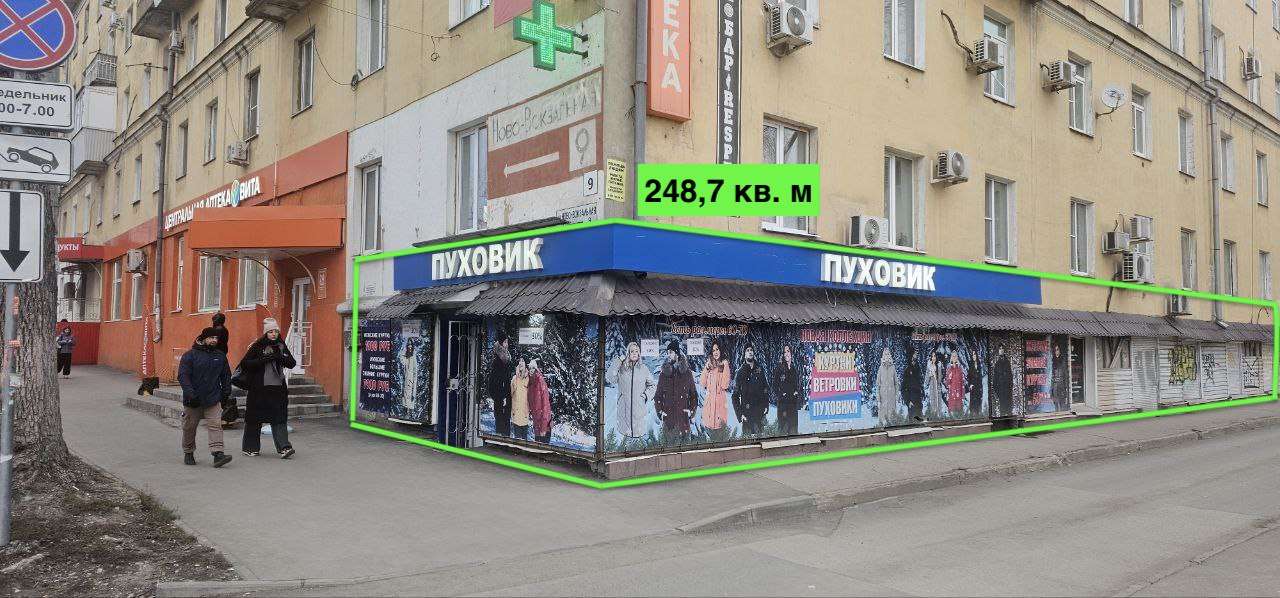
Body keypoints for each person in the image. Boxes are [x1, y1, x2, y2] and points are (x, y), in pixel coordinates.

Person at [237, 318, 297, 459]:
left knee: (279, 418)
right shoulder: (257, 346)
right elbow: (245, 363)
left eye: (276, 331)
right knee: (254, 419)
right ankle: (250, 448)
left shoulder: (281, 345)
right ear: (265, 333)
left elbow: (291, 363)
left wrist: (279, 356)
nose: (274, 334)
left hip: (278, 389)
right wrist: (263, 359)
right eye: (270, 331)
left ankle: (284, 448)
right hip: (258, 389)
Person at [177, 328, 233, 468]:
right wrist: (191, 394)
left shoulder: (220, 356)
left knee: (216, 425)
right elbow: (183, 376)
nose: (214, 340)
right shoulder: (190, 355)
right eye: (211, 337)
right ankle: (188, 452)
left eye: (216, 338)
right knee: (189, 427)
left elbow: (226, 376)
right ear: (203, 338)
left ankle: (218, 454)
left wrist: (225, 393)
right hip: (193, 400)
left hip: (212, 398)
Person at [606, 341, 655, 439]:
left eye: (636, 351)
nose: (634, 353)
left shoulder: (644, 369)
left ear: (639, 353)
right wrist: (618, 361)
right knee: (623, 440)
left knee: (639, 441)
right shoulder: (622, 368)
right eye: (632, 351)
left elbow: (652, 385)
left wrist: (645, 396)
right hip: (623, 410)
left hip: (639, 411)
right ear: (628, 353)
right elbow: (610, 377)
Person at [654, 340, 698, 443]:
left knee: (685, 450)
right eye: (667, 352)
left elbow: (693, 395)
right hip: (668, 422)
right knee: (669, 451)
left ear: (677, 353)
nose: (668, 355)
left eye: (670, 352)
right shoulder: (664, 374)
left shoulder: (687, 373)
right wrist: (660, 413)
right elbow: (658, 396)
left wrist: (691, 411)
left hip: (683, 422)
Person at [731, 344, 769, 436]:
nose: (750, 352)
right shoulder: (740, 372)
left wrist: (766, 406)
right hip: (747, 415)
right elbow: (735, 396)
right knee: (748, 442)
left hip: (760, 413)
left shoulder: (759, 369)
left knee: (761, 440)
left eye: (751, 350)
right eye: (747, 350)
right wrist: (740, 414)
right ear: (744, 354)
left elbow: (765, 388)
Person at [486, 331, 514, 436]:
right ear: (501, 343)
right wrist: (499, 397)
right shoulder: (498, 360)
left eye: (507, 342)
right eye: (505, 342)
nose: (507, 344)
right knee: (501, 424)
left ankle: (505, 439)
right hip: (500, 399)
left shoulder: (507, 357)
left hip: (506, 397)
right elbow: (492, 382)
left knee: (506, 423)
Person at [698, 341, 730, 432]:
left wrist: (725, 366)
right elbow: (702, 383)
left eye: (717, 349)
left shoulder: (724, 365)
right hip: (709, 405)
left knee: (720, 432)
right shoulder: (709, 365)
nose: (715, 352)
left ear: (721, 350)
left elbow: (725, 385)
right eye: (713, 350)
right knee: (708, 431)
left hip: (720, 404)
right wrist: (706, 368)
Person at [773, 345, 802, 436]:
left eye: (788, 351)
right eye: (784, 352)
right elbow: (774, 386)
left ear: (791, 353)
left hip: (793, 405)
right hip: (783, 406)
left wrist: (797, 393)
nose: (786, 354)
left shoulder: (794, 368)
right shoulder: (779, 368)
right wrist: (782, 394)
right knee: (782, 432)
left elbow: (798, 385)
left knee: (793, 432)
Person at [527, 359, 553, 444]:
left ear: (536, 369)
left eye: (533, 368)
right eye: (530, 368)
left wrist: (543, 428)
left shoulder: (541, 382)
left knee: (543, 449)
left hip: (544, 426)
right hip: (537, 425)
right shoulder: (530, 383)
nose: (531, 370)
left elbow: (546, 406)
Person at [876, 347, 899, 423]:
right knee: (883, 420)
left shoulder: (893, 368)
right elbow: (877, 385)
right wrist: (878, 399)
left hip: (892, 398)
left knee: (892, 419)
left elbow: (896, 383)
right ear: (883, 356)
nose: (887, 355)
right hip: (883, 398)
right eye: (885, 354)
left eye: (888, 354)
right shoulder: (880, 368)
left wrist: (897, 395)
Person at [902, 345, 924, 422]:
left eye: (916, 354)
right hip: (911, 401)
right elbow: (903, 389)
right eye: (915, 354)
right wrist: (908, 401)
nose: (916, 355)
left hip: (919, 401)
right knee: (913, 423)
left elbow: (920, 383)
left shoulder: (918, 367)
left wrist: (922, 394)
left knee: (920, 422)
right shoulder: (907, 370)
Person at [510, 358, 531, 439]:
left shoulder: (529, 378)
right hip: (516, 413)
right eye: (520, 362)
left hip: (525, 413)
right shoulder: (514, 379)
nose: (521, 363)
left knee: (524, 440)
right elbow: (510, 394)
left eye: (523, 362)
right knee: (517, 439)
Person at [992, 344, 1014, 417]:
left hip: (1008, 392)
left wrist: (1010, 388)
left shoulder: (1007, 362)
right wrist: (998, 392)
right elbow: (995, 380)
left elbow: (1010, 376)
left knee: (1009, 412)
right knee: (1003, 412)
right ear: (998, 351)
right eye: (1000, 349)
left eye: (1002, 348)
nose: (1001, 350)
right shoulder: (997, 364)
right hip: (1001, 392)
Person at [924, 351, 943, 420]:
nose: (933, 358)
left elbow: (940, 379)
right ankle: (933, 416)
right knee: (932, 402)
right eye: (932, 356)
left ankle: (939, 417)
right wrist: (930, 375)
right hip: (932, 387)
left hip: (937, 387)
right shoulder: (929, 366)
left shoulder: (939, 365)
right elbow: (926, 380)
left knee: (938, 402)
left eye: (934, 356)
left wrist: (936, 374)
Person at [965, 350, 984, 416]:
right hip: (973, 387)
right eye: (972, 355)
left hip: (979, 387)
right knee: (973, 403)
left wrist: (980, 387)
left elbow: (980, 376)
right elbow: (968, 376)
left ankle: (978, 415)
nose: (974, 356)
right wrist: (970, 384)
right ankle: (973, 415)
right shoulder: (971, 365)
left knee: (978, 402)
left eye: (974, 354)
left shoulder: (979, 364)